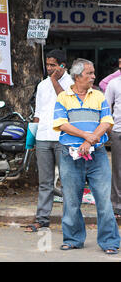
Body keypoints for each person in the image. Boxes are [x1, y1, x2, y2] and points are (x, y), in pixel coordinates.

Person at [53, 58, 120, 255]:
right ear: (77, 76)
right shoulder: (63, 97)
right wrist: (85, 136)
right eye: (89, 73)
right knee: (72, 200)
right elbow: (61, 123)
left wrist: (90, 141)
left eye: (93, 73)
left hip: (96, 155)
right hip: (69, 154)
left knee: (104, 200)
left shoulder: (98, 96)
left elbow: (107, 121)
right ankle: (73, 239)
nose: (93, 77)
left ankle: (109, 241)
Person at [25, 49, 73, 232]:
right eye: (48, 64)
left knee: (67, 181)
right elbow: (38, 113)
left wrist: (54, 80)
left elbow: (65, 101)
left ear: (63, 65)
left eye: (53, 65)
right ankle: (42, 219)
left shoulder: (72, 83)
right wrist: (33, 138)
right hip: (43, 136)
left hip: (63, 138)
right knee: (45, 182)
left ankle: (69, 221)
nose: (49, 68)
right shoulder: (42, 85)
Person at [105, 66, 121, 219]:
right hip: (118, 132)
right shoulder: (114, 84)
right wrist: (111, 130)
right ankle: (117, 206)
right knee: (118, 170)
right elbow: (106, 108)